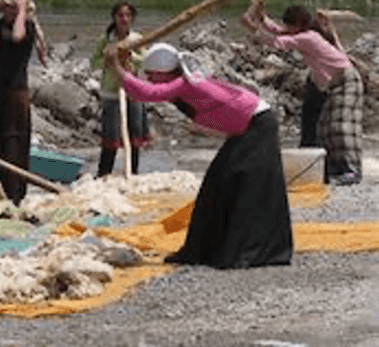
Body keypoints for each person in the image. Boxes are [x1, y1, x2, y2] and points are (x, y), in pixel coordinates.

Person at [105, 42, 293, 269]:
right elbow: (142, 90)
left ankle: (247, 250)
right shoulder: (183, 81)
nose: (150, 79)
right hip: (245, 127)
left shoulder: (183, 83)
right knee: (217, 185)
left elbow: (146, 93)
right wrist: (124, 64)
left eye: (152, 75)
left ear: (164, 73)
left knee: (244, 186)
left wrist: (115, 66)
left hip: (257, 124)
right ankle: (205, 248)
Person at [242, 4, 363, 185]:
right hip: (334, 83)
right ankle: (334, 167)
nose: (288, 29)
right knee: (324, 127)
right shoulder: (305, 34)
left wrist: (252, 28)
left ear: (298, 25)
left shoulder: (308, 38)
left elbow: (277, 42)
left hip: (347, 80)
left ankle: (352, 171)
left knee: (341, 126)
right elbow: (280, 32)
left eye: (290, 26)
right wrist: (262, 18)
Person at [0, 0, 47, 209]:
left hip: (17, 91)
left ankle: (13, 193)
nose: (8, 11)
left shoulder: (28, 27)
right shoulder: (1, 26)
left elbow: (17, 36)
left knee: (13, 141)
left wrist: (22, 9)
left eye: (12, 7)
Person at [90, 1, 152, 177]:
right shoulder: (105, 40)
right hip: (112, 91)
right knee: (110, 136)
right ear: (114, 18)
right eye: (120, 15)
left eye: (127, 15)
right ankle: (104, 174)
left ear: (132, 18)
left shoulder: (137, 39)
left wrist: (131, 57)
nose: (124, 19)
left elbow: (146, 61)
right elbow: (93, 63)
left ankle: (133, 172)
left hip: (133, 92)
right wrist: (109, 60)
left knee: (135, 135)